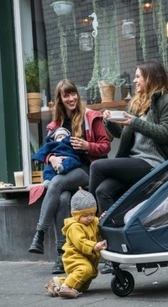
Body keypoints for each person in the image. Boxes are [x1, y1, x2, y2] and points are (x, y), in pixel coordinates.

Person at [88, 60, 168, 273]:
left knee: (98, 167)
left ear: (150, 78)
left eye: (138, 76)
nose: (135, 80)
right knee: (103, 191)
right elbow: (126, 135)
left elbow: (167, 133)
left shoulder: (165, 100)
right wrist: (110, 122)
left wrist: (134, 122)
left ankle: (86, 224)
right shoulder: (136, 103)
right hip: (134, 161)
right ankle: (115, 251)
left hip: (152, 164)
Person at [28, 79, 111, 275]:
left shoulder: (90, 116)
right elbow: (47, 151)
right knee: (63, 198)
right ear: (60, 99)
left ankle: (39, 234)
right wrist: (52, 159)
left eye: (73, 94)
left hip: (86, 170)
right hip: (65, 173)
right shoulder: (54, 125)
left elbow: (105, 145)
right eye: (66, 95)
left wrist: (87, 146)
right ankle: (62, 255)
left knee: (56, 184)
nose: (71, 98)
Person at [45, 188, 107, 299]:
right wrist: (94, 246)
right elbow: (80, 242)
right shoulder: (74, 227)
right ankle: (66, 287)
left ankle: (57, 283)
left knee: (82, 285)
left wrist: (103, 219)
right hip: (74, 256)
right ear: (76, 215)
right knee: (84, 270)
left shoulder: (92, 221)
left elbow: (98, 223)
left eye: (92, 213)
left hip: (87, 257)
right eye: (85, 215)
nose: (89, 218)